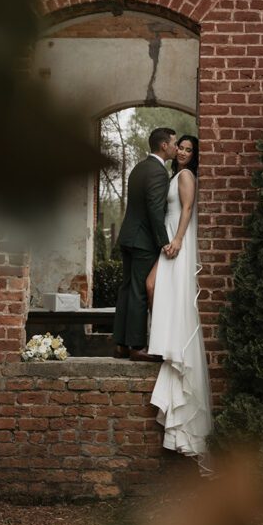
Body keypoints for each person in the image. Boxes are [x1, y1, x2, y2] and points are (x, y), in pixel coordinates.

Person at [146, 135, 212, 463]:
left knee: (159, 288)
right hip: (171, 244)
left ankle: (173, 348)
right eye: (181, 148)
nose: (183, 153)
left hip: (178, 244)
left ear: (194, 155)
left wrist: (178, 240)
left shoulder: (186, 177)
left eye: (189, 150)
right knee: (154, 287)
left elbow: (187, 208)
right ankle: (167, 345)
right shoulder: (176, 175)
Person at [113, 127, 178, 362]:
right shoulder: (159, 172)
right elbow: (154, 209)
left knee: (127, 289)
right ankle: (137, 346)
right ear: (164, 145)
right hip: (143, 241)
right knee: (140, 291)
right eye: (174, 143)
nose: (176, 147)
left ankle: (120, 345)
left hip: (128, 236)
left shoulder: (139, 168)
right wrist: (164, 242)